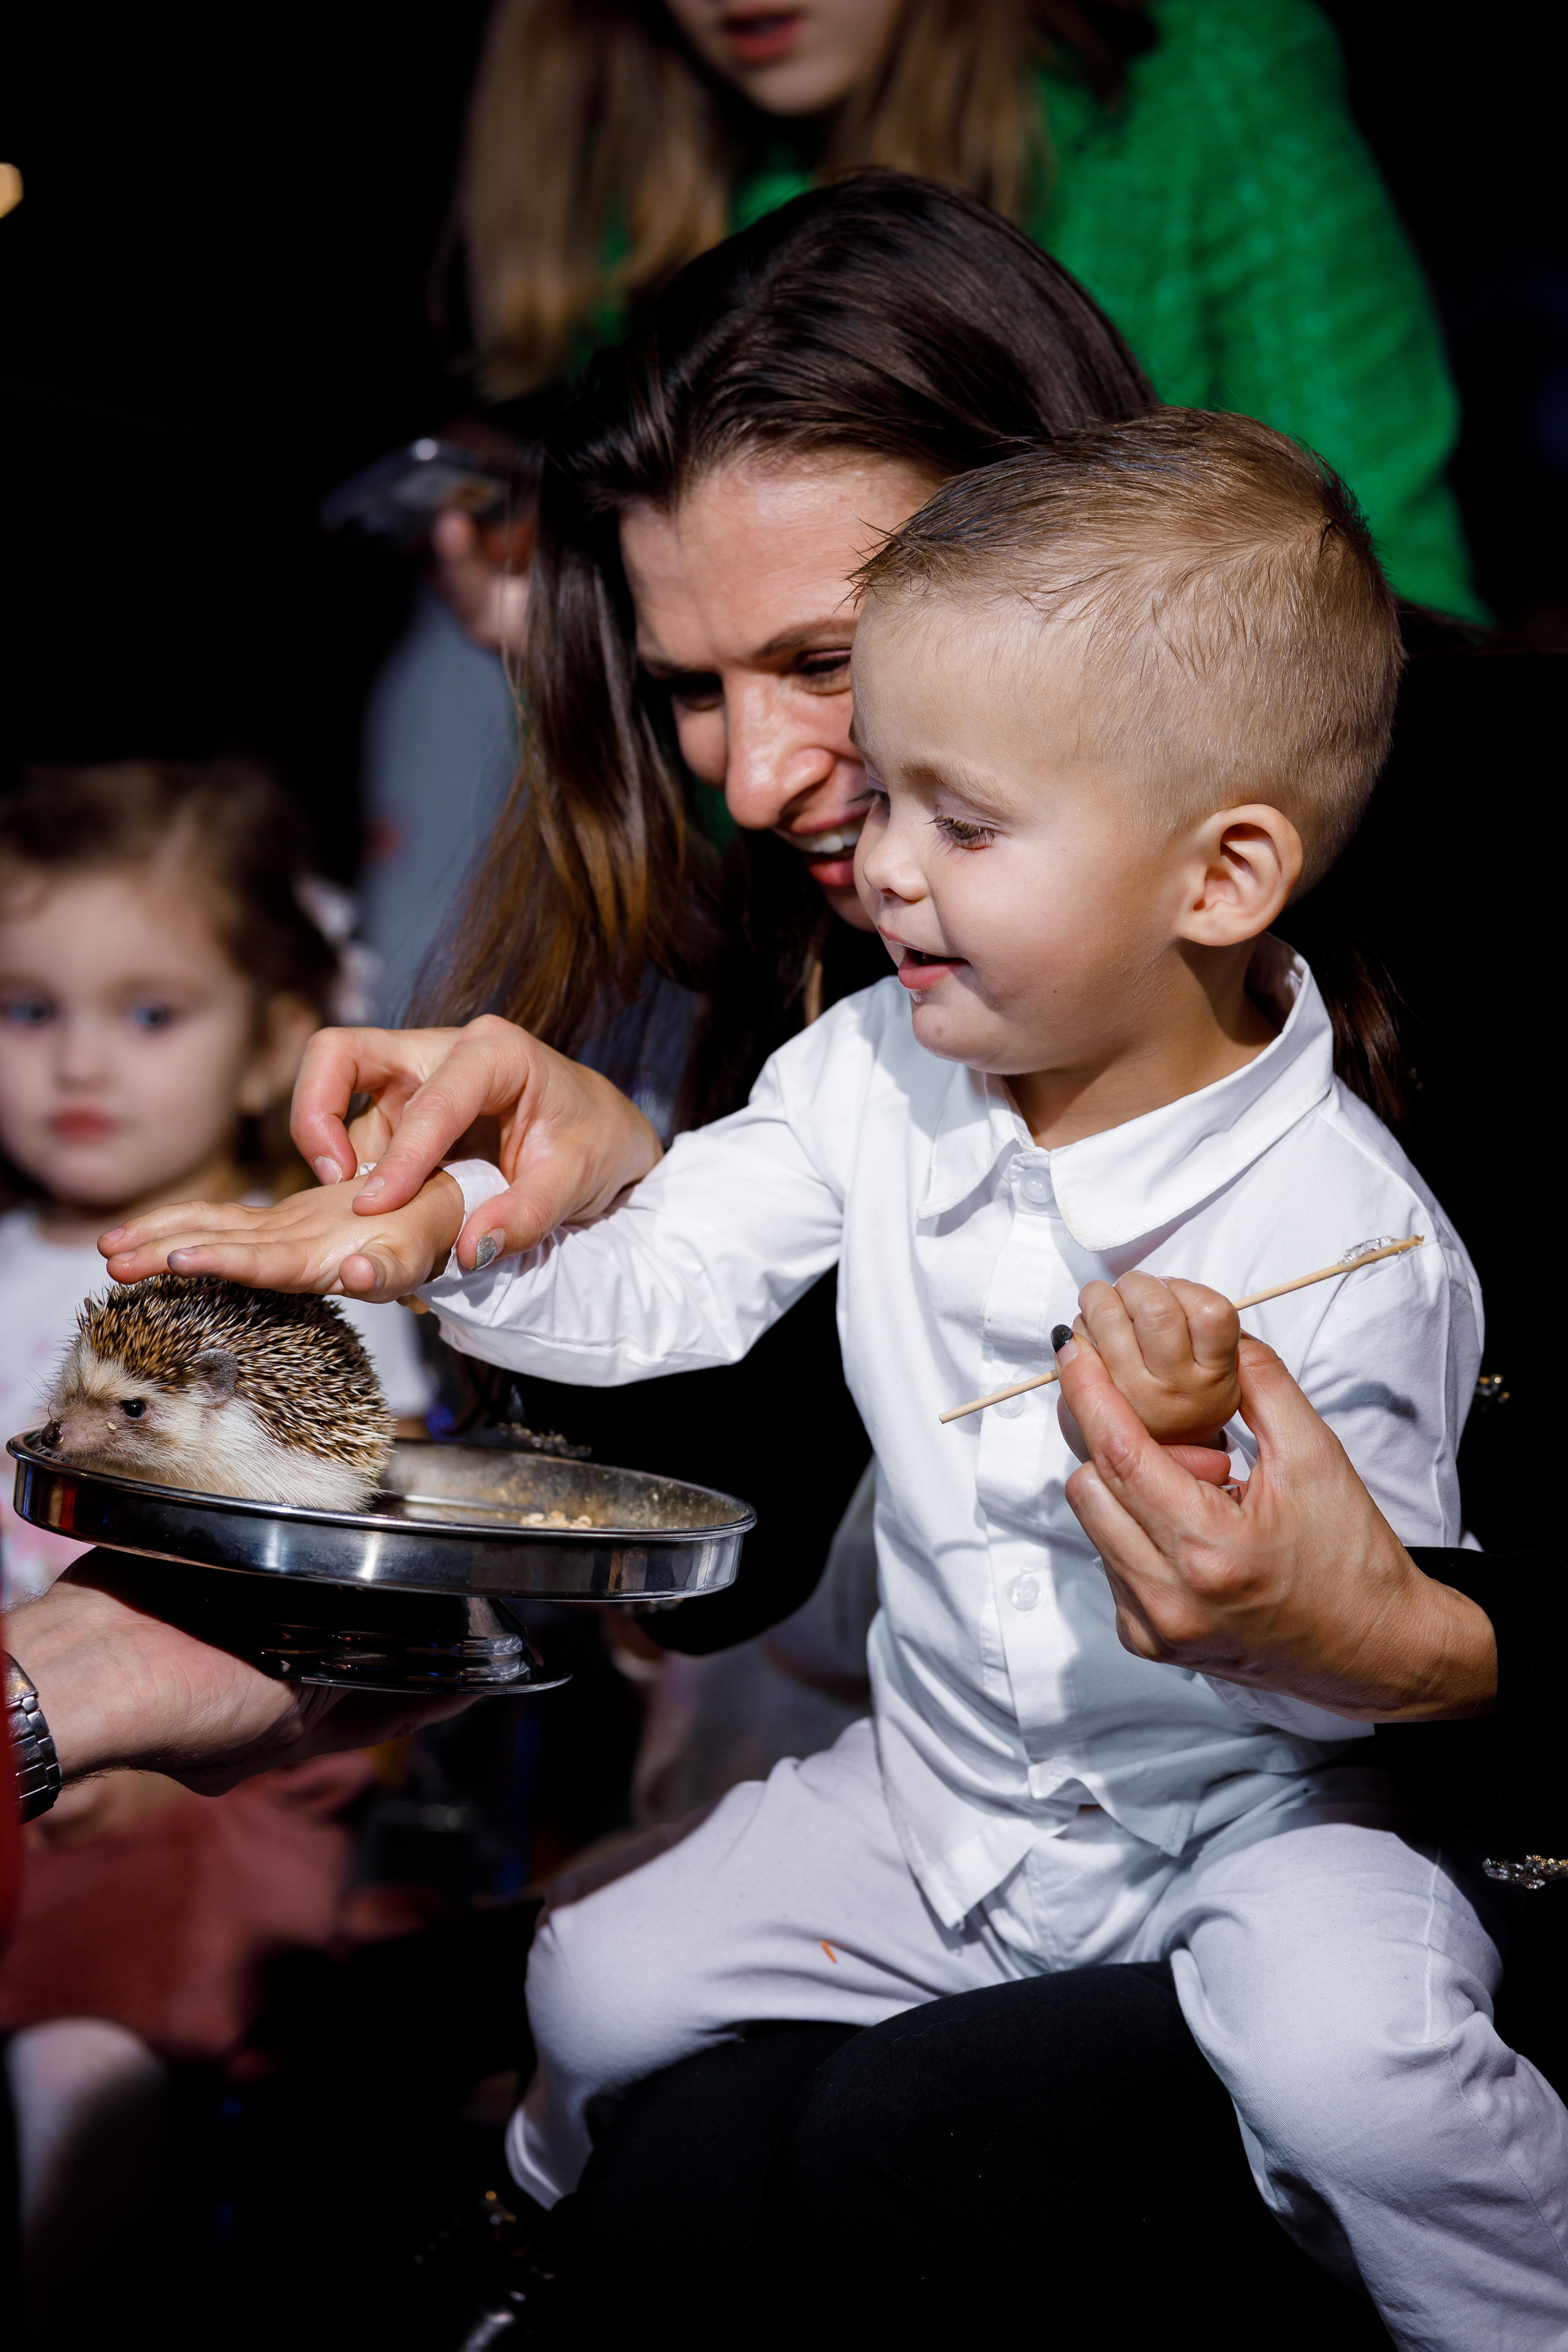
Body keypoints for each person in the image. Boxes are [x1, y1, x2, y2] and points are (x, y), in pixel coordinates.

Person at [103, 413, 1562, 2341]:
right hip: (940, 1791)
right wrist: (448, 1239)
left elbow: (1361, 1643)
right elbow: (676, 1277)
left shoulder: (1355, 1231)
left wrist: (1238, 1508)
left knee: (1361, 2082)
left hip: (1253, 1825)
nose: (873, 866)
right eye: (884, 803)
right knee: (593, 1986)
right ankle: (517, 2269)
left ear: (1218, 878)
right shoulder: (872, 1065)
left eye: (960, 825)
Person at [373, 0, 1479, 1006]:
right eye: (688, 685)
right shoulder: (629, 195)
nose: (755, 789)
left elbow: (1366, 634)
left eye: (824, 661)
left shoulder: (1205, 89)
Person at [0, 761, 433, 2340]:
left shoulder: (321, 1277)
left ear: (273, 1040)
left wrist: (103, 1746)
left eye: (151, 1012)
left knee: (89, 2042)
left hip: (233, 1759)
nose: (79, 1065)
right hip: (33, 1732)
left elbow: (359, 1528)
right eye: (28, 1010)